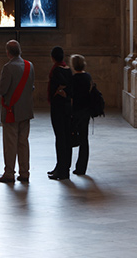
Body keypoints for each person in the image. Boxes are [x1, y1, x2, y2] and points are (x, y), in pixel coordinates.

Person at [0, 39, 35, 183]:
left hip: (11, 111)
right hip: (26, 110)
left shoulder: (8, 68)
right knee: (23, 143)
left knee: (10, 144)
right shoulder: (29, 65)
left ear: (8, 53)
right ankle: (24, 172)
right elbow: (32, 87)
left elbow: (2, 90)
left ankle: (9, 173)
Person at [47, 46, 73, 180]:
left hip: (58, 108)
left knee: (61, 139)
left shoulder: (56, 70)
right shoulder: (68, 69)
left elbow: (56, 88)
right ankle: (62, 166)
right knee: (65, 138)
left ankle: (62, 170)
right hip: (66, 108)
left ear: (52, 57)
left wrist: (58, 91)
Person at [70, 53, 92, 176]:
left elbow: (72, 96)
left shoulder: (73, 79)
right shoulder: (87, 76)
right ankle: (81, 167)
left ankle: (67, 165)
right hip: (86, 110)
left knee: (72, 136)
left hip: (76, 110)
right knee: (84, 139)